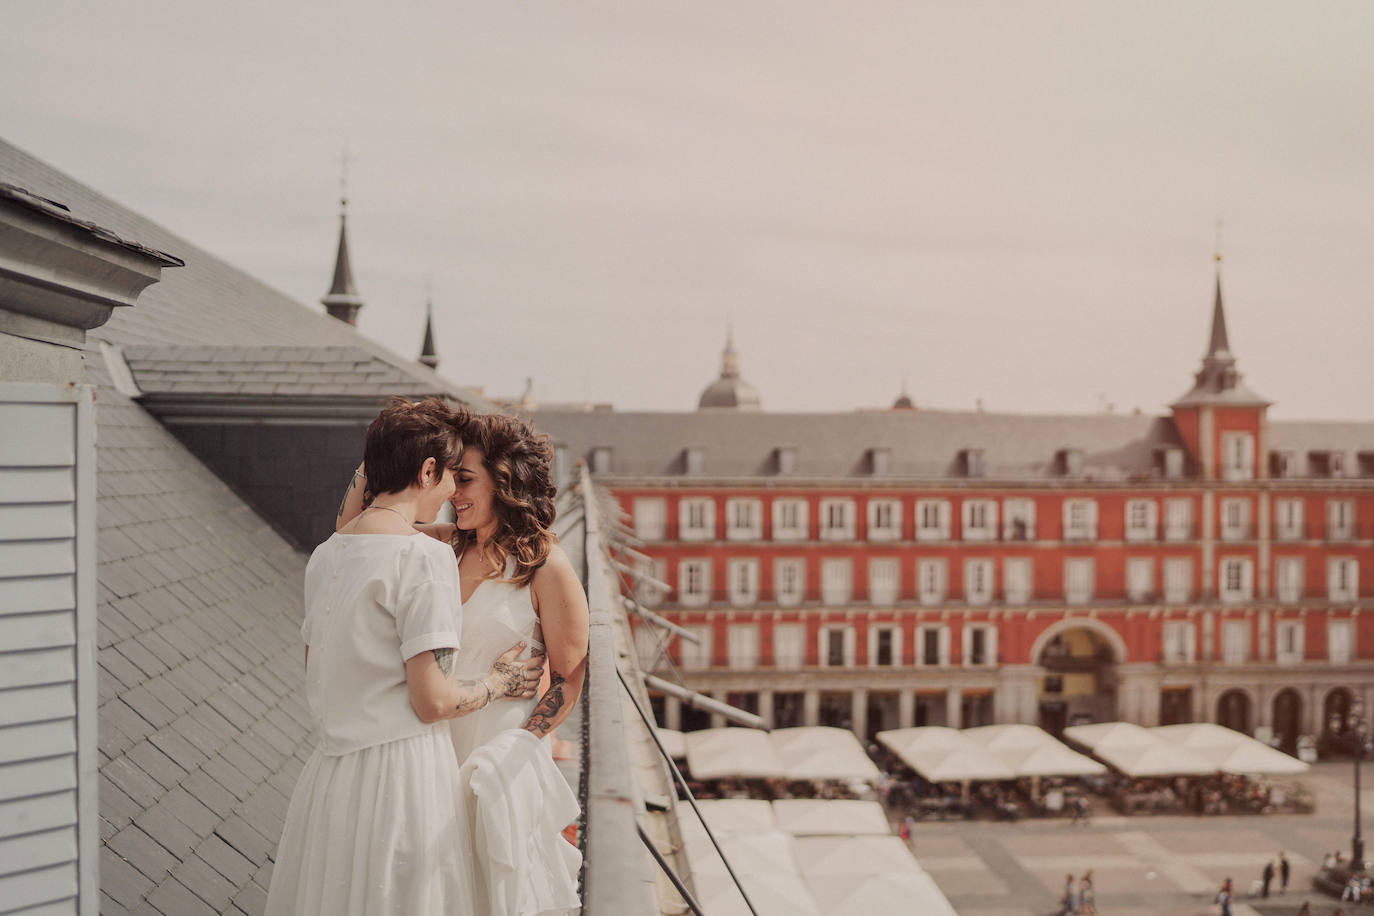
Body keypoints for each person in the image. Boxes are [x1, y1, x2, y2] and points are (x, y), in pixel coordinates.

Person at [265, 398, 545, 915]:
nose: (450, 493)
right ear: (428, 470)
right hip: (400, 781)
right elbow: (432, 701)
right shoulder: (424, 558)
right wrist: (501, 681)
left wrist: (392, 440)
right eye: (449, 477)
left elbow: (316, 665)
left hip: (330, 778)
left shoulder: (327, 555)